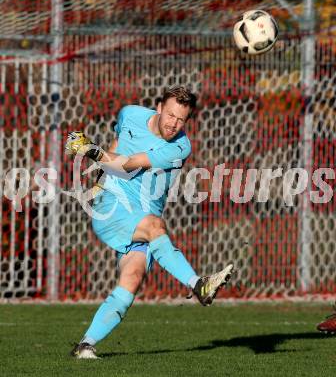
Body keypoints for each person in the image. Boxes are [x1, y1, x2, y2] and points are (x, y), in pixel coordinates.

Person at [65, 86, 234, 359]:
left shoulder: (180, 146)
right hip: (113, 207)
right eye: (170, 115)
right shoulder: (129, 114)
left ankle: (85, 344)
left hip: (140, 217)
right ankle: (198, 285)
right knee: (155, 226)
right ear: (158, 107)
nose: (174, 124)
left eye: (181, 120)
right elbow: (117, 147)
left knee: (132, 278)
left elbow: (129, 163)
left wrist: (88, 149)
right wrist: (98, 178)